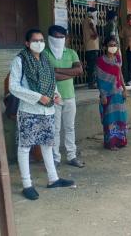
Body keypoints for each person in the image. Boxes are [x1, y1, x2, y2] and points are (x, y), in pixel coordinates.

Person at [9, 29, 75, 200]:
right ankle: (27, 184)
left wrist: (55, 95)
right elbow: (13, 87)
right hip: (29, 110)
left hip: (48, 110)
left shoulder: (45, 59)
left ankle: (53, 179)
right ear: (27, 43)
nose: (39, 43)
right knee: (25, 147)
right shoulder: (20, 60)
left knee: (47, 144)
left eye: (41, 40)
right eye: (35, 40)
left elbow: (51, 82)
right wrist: (38, 97)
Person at [44, 25, 84, 168]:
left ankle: (72, 156)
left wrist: (58, 70)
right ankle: (55, 158)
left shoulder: (71, 52)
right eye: (56, 37)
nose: (59, 40)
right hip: (53, 97)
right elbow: (48, 75)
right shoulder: (45, 53)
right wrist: (69, 73)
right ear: (49, 37)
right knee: (55, 129)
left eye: (62, 37)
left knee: (70, 127)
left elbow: (79, 71)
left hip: (69, 96)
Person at [96, 36, 128, 150]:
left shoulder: (117, 59)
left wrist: (124, 89)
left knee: (120, 117)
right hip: (107, 94)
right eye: (110, 45)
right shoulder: (101, 60)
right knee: (110, 119)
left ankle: (120, 140)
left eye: (115, 45)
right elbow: (99, 79)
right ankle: (111, 143)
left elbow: (120, 75)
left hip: (118, 92)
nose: (113, 47)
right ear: (105, 46)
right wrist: (103, 95)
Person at [82, 7, 100, 89]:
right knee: (93, 66)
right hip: (93, 46)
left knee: (90, 65)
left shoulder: (84, 20)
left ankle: (91, 82)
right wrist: (96, 33)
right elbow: (92, 25)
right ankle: (92, 83)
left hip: (88, 46)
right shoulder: (89, 19)